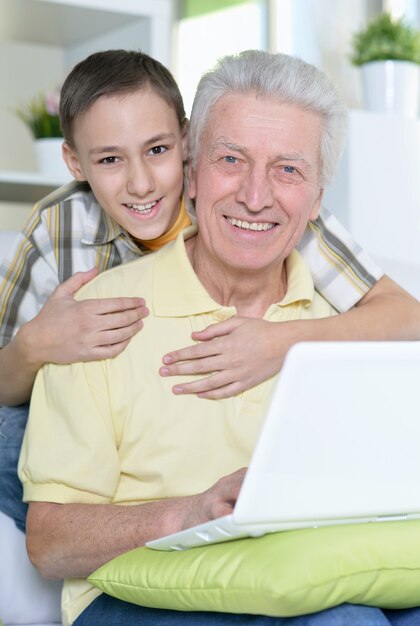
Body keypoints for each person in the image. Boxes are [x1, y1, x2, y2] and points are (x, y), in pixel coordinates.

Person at [19, 50, 420, 626]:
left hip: (304, 575)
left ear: (316, 200)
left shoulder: (351, 324)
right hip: (131, 592)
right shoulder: (90, 321)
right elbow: (49, 543)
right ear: (191, 172)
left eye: (288, 170)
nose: (256, 197)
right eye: (231, 159)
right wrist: (191, 513)